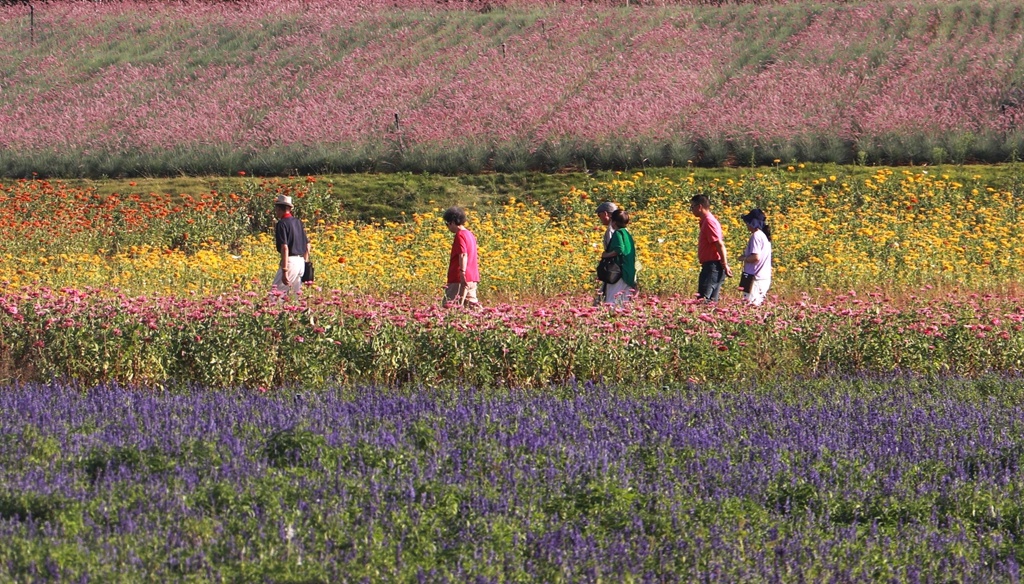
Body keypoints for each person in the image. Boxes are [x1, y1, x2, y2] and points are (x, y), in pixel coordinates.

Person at [690, 194, 732, 302]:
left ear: (700, 207)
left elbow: (719, 244)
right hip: (711, 266)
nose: (691, 210)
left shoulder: (709, 222)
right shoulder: (706, 221)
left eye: (692, 207)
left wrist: (725, 264)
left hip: (712, 267)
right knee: (710, 302)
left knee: (704, 300)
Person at [271, 194, 309, 296]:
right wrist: (305, 262)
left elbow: (285, 247)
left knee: (275, 295)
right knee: (295, 295)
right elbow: (307, 245)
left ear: (279, 209)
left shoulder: (282, 224)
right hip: (301, 262)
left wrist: (284, 270)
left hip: (290, 262)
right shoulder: (298, 222)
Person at [443, 206, 480, 307]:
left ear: (453, 222)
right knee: (472, 306)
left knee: (449, 306)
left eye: (447, 224)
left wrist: (462, 273)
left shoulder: (460, 235)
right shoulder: (470, 234)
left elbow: (463, 254)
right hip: (472, 277)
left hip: (459, 279)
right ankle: (491, 319)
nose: (448, 227)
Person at [600, 209, 637, 305]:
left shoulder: (618, 233)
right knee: (624, 301)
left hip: (619, 272)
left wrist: (605, 255)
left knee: (612, 301)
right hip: (628, 271)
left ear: (614, 221)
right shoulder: (627, 233)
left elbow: (619, 249)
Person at [739, 208, 773, 306]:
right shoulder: (764, 236)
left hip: (755, 279)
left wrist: (744, 258)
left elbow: (756, 257)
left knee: (750, 307)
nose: (746, 225)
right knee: (755, 307)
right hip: (763, 278)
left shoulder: (756, 236)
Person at [594, 201, 618, 304]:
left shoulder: (612, 229)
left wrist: (605, 255)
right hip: (614, 268)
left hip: (614, 269)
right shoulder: (619, 228)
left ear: (606, 214)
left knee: (607, 298)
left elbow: (617, 249)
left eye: (600, 216)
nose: (600, 219)